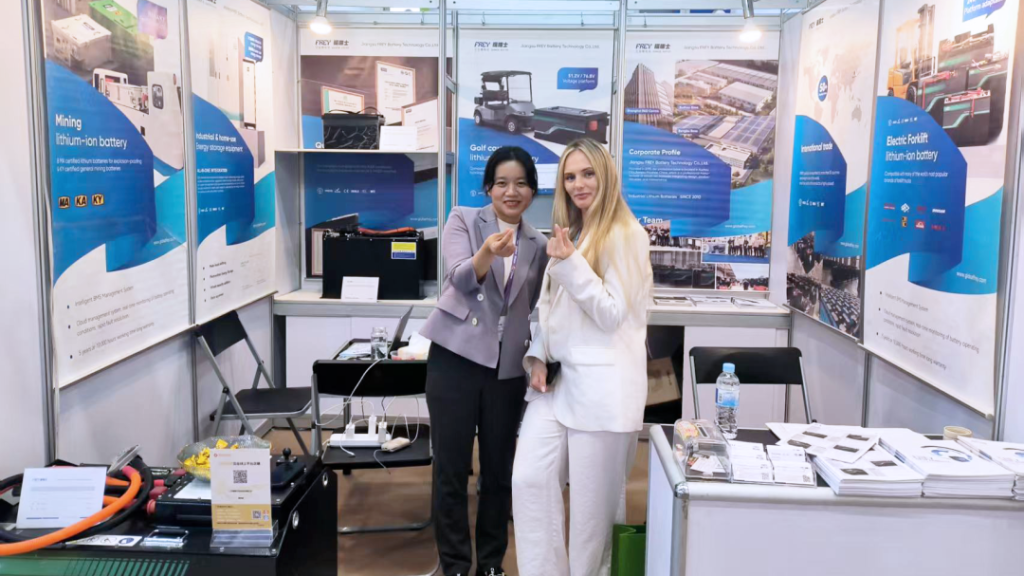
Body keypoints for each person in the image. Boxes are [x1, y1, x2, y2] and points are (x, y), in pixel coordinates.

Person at [511, 139, 653, 576]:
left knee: (593, 521)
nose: (578, 184)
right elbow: (550, 311)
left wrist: (572, 263)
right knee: (529, 480)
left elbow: (611, 314)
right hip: (558, 386)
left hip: (603, 394)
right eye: (570, 177)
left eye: (588, 173)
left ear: (606, 174)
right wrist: (537, 355)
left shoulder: (626, 234)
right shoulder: (573, 231)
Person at [420, 146, 549, 576]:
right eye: (502, 183)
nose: (511, 192)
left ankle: (491, 563)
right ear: (488, 187)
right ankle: (455, 564)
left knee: (498, 471)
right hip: (455, 359)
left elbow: (531, 305)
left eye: (521, 184)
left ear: (532, 190)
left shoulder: (539, 244)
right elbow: (457, 279)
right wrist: (487, 253)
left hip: (506, 368)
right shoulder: (463, 219)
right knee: (451, 469)